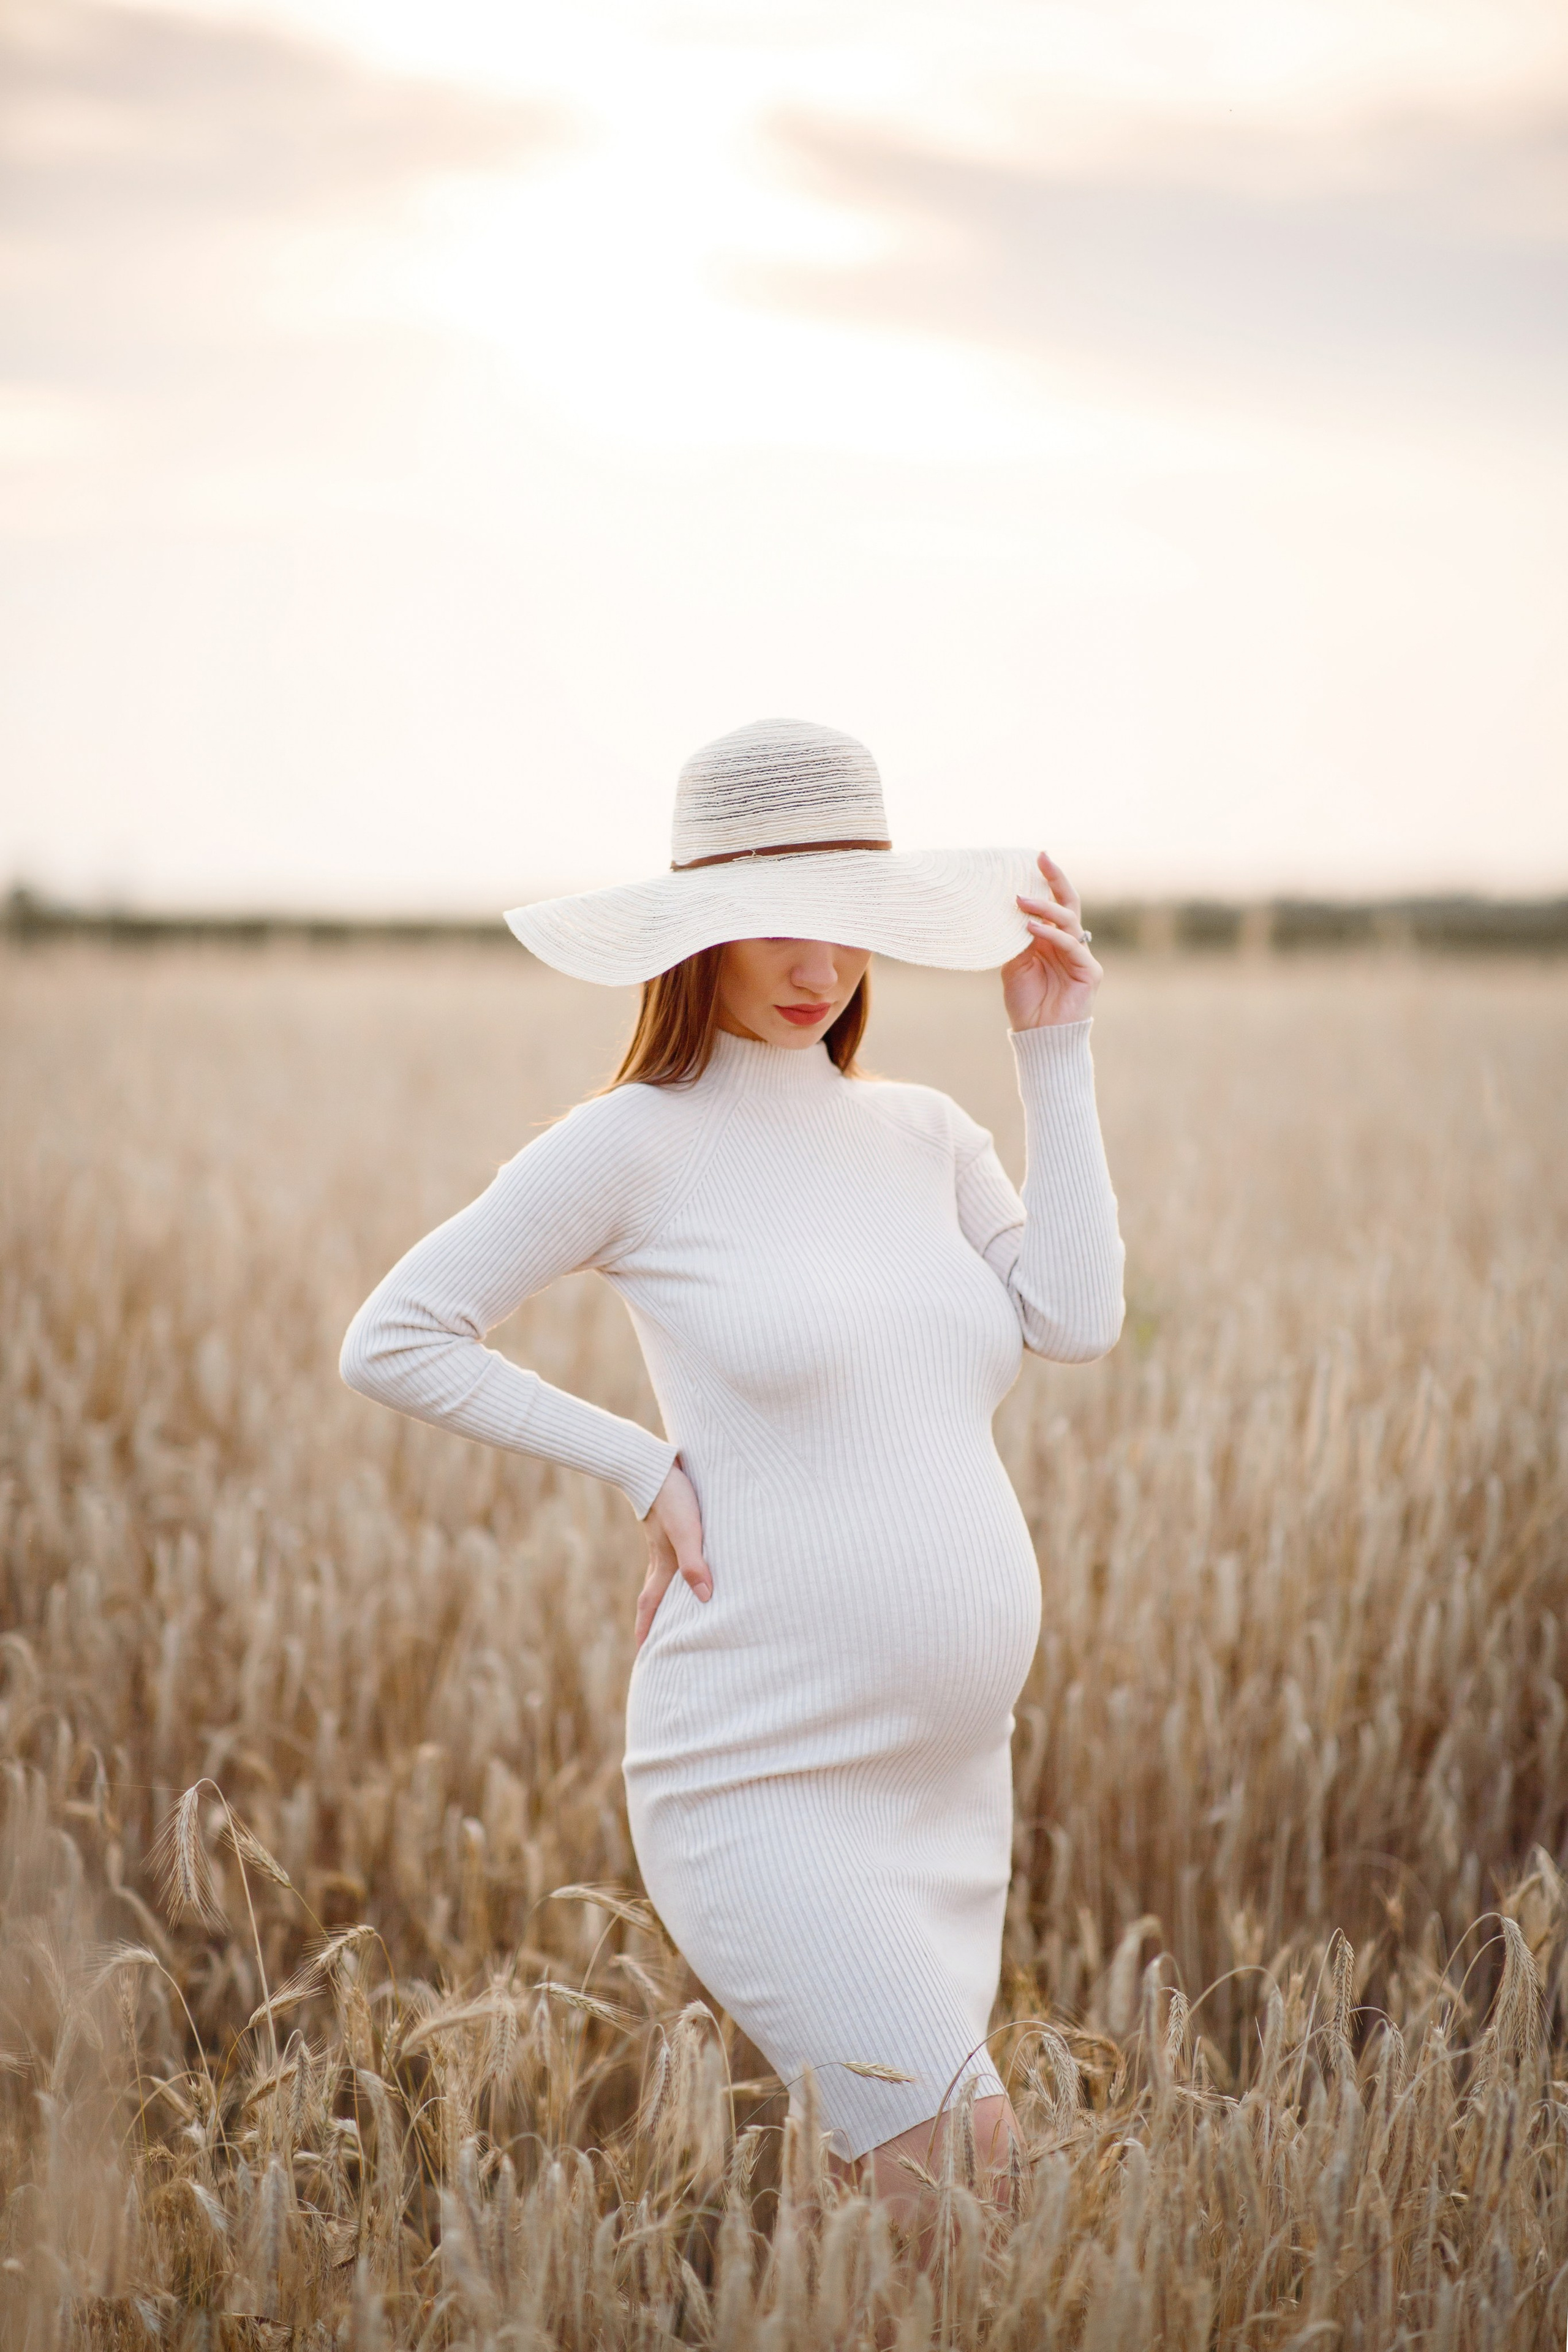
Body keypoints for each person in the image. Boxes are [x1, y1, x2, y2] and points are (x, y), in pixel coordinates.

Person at [341, 717, 1125, 2229]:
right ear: (692, 932)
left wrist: (1053, 1043)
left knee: (925, 2242)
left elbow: (1076, 1319)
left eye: (846, 914)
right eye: (772, 917)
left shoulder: (924, 1131)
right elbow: (396, 1333)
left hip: (947, 1779)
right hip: (756, 1765)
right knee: (962, 2175)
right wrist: (643, 1463)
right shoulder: (636, 1142)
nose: (814, 960)